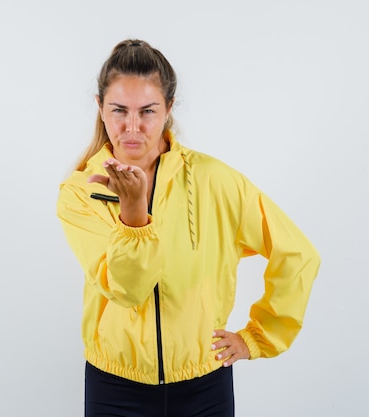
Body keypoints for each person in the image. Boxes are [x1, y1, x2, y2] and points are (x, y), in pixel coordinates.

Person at [56, 39, 320, 417]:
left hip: (204, 385)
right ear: (100, 108)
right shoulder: (81, 194)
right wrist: (133, 216)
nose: (132, 127)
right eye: (118, 110)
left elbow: (297, 254)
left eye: (147, 110)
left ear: (169, 109)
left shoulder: (215, 181)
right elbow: (128, 291)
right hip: (114, 387)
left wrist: (258, 337)